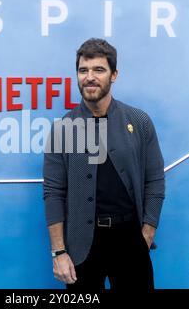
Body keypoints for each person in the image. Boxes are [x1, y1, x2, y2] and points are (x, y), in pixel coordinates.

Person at [43, 38, 165, 291]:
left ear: (114, 75)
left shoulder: (139, 122)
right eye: (83, 70)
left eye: (99, 70)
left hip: (130, 239)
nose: (90, 77)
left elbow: (154, 180)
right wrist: (59, 253)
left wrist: (148, 232)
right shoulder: (61, 129)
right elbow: (53, 193)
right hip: (81, 244)